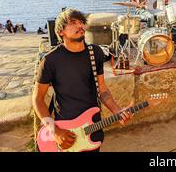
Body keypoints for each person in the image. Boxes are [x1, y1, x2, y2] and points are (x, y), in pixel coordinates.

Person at [32, 9, 132, 152]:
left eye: (81, 22)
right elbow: (37, 99)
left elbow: (102, 90)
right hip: (65, 131)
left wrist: (117, 111)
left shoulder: (95, 53)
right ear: (61, 32)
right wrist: (55, 131)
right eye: (73, 23)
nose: (80, 26)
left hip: (93, 126)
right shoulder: (50, 60)